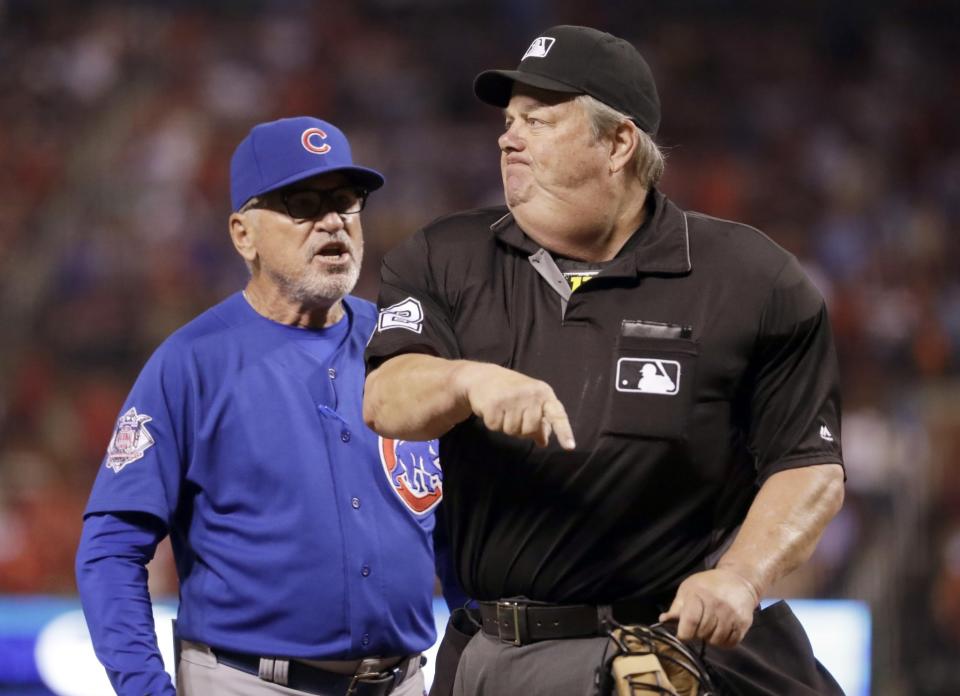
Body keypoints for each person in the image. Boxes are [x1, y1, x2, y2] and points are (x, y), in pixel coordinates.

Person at [363, 25, 846, 696]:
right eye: (509, 121)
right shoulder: (443, 257)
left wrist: (742, 575)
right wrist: (465, 379)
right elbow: (387, 398)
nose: (508, 137)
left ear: (618, 142)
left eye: (539, 120)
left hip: (658, 656)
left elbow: (810, 467)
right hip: (492, 654)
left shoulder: (751, 279)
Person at [76, 116, 458, 696]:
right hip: (246, 681)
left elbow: (461, 527)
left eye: (347, 201)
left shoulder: (402, 348)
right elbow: (110, 548)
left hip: (403, 679)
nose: (333, 221)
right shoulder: (191, 363)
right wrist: (144, 688)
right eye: (302, 203)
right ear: (243, 234)